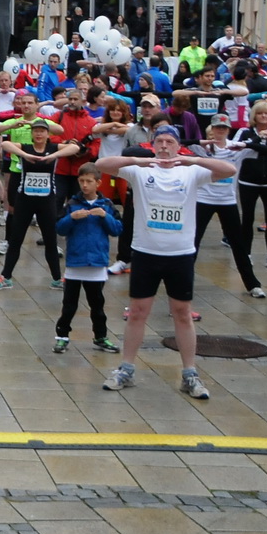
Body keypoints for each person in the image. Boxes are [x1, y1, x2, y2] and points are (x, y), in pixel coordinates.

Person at [96, 128, 237, 398]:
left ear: (177, 146)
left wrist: (193, 159)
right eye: (159, 141)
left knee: (182, 313)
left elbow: (228, 169)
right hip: (146, 252)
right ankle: (126, 368)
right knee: (138, 311)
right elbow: (102, 164)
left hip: (180, 254)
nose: (164, 146)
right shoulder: (140, 170)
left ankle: (190, 373)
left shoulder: (190, 171)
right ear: (153, 145)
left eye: (169, 142)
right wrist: (137, 161)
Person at [0, 121, 72, 290]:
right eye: (36, 131)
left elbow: (74, 148)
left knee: (50, 240)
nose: (39, 134)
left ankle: (57, 278)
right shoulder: (25, 148)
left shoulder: (54, 148)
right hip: (25, 200)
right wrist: (24, 155)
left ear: (48, 134)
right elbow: (5, 143)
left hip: (46, 201)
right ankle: (6, 277)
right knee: (16, 239)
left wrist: (52, 157)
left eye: (42, 131)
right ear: (32, 134)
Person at [189, 116, 262, 297]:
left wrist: (246, 145)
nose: (220, 131)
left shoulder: (235, 148)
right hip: (204, 199)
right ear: (212, 128)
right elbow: (182, 142)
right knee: (193, 242)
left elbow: (266, 149)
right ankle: (184, 284)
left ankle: (252, 284)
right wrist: (201, 141)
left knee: (238, 243)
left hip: (227, 200)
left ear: (229, 130)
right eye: (217, 127)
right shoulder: (201, 148)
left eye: (224, 128)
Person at [53, 164, 122, 354]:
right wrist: (72, 218)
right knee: (69, 304)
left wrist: (105, 217)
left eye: (89, 182)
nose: (84, 185)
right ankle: (62, 336)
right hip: (75, 261)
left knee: (97, 305)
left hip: (97, 263)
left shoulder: (106, 205)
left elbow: (117, 229)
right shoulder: (72, 204)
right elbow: (60, 228)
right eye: (81, 181)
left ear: (98, 183)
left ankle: (100, 336)